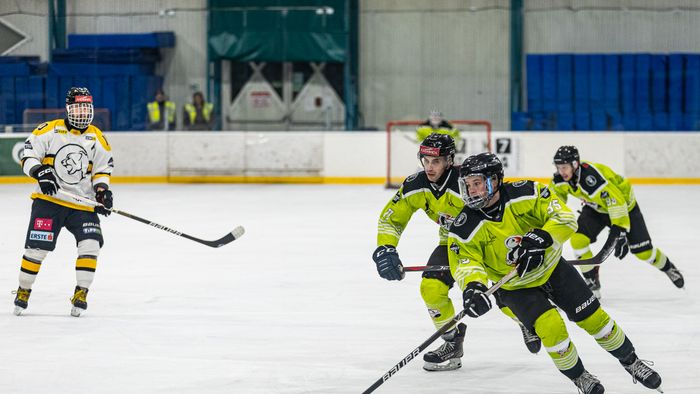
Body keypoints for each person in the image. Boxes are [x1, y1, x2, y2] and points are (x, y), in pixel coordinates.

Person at [449, 152, 663, 393]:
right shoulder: (464, 224)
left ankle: (632, 362)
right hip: (516, 288)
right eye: (467, 185)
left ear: (495, 180)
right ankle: (579, 376)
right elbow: (465, 262)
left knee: (595, 320)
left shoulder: (526, 192)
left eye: (477, 183)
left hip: (553, 269)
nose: (472, 191)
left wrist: (544, 236)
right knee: (552, 329)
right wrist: (473, 286)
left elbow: (564, 217)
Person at [372, 134, 541, 373]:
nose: (429, 168)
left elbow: (507, 206)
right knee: (431, 289)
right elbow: (391, 219)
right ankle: (452, 342)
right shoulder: (415, 185)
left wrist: (529, 239)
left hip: (490, 239)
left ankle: (525, 320)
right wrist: (385, 247)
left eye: (436, 162)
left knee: (504, 295)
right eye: (425, 161)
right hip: (454, 242)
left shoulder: (470, 181)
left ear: (449, 160)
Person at [13, 87, 114, 317]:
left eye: (86, 107)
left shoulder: (97, 137)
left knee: (91, 244)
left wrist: (102, 191)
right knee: (37, 249)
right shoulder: (48, 130)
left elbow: (102, 170)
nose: (82, 113)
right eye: (77, 107)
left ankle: (81, 292)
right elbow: (27, 157)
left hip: (82, 203)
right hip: (49, 201)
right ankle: (24, 290)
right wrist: (40, 172)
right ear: (68, 108)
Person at [550, 145, 684, 299]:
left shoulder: (591, 178)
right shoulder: (560, 179)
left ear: (574, 164)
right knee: (578, 240)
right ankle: (591, 281)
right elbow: (554, 202)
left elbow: (617, 202)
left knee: (643, 252)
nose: (562, 171)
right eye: (559, 167)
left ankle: (668, 268)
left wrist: (619, 231)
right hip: (597, 209)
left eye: (565, 167)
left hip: (625, 208)